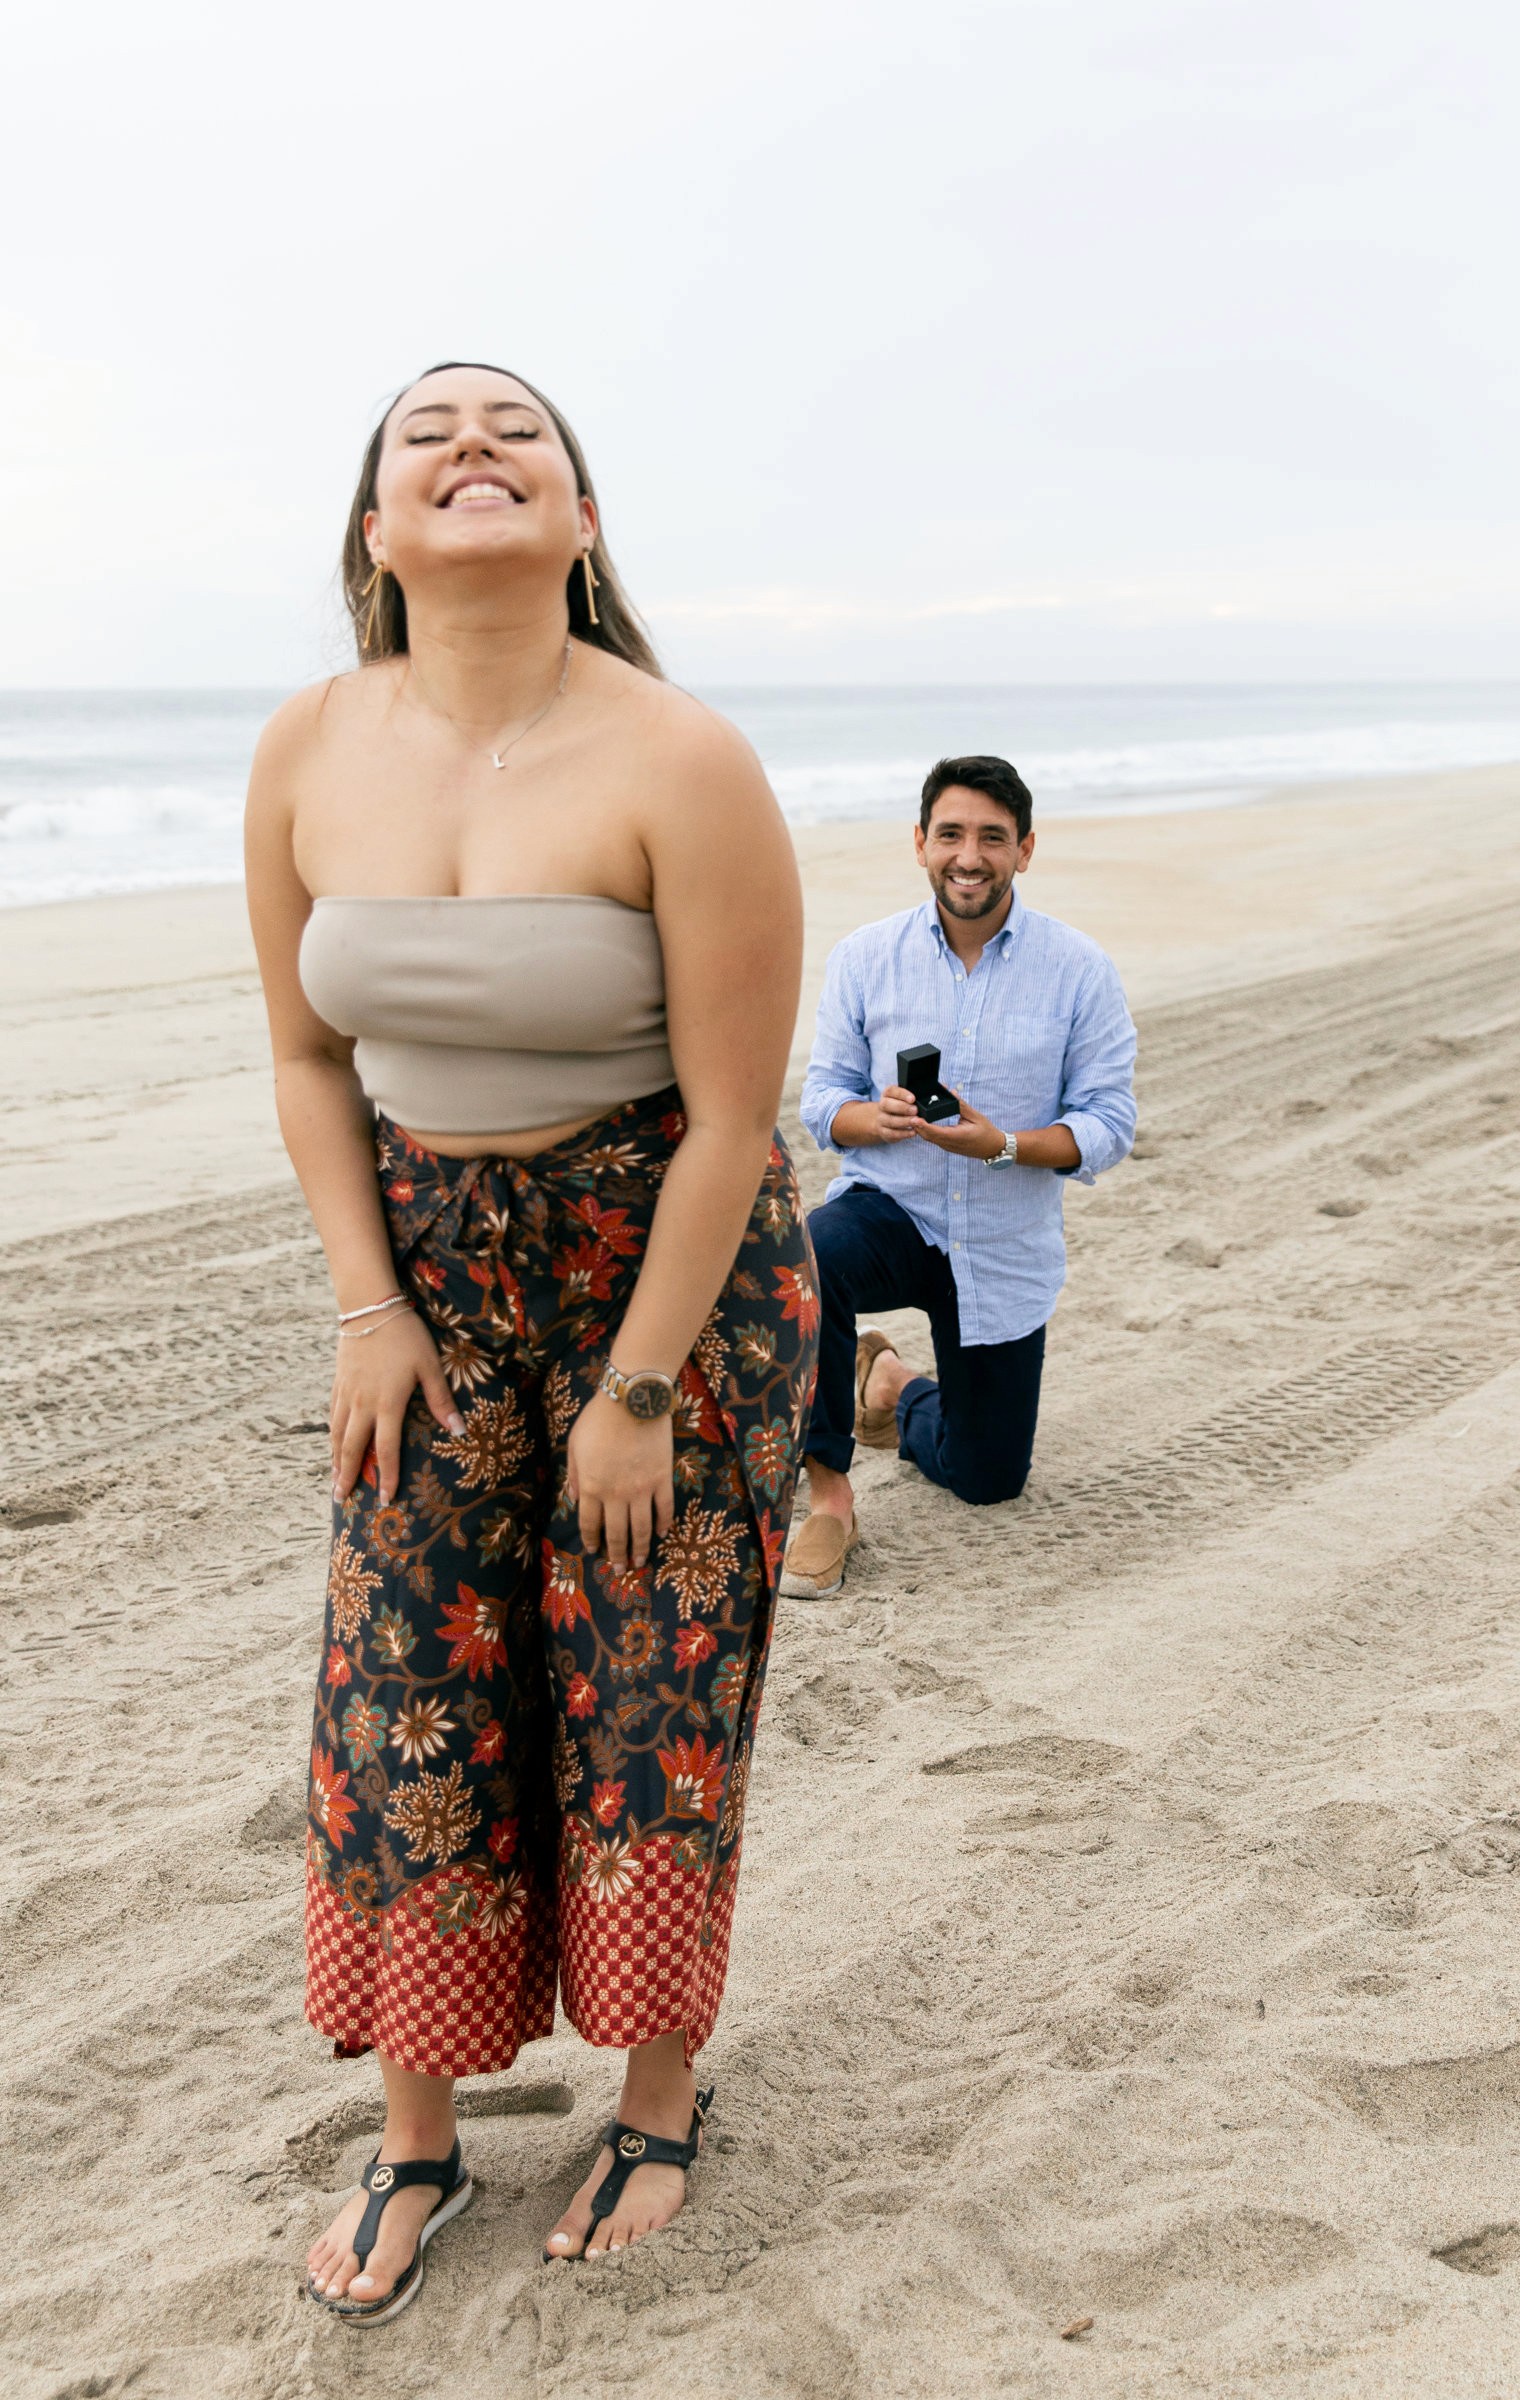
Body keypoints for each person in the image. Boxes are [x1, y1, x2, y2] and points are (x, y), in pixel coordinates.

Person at [244, 361, 817, 2320]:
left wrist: (645, 1391)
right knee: (401, 1691)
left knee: (643, 1680)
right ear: (378, 531)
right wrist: (364, 1305)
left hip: (665, 1259)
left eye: (519, 432)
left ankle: (653, 2107)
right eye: (429, 432)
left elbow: (736, 1116)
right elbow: (306, 1056)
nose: (472, 443)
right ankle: (420, 2147)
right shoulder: (308, 744)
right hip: (423, 1278)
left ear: (577, 524)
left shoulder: (682, 756)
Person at [782, 755, 1135, 1597]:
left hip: (1003, 1244)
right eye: (950, 834)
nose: (968, 856)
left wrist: (1003, 1144)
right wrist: (874, 1119)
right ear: (919, 843)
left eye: (991, 837)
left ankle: (893, 1382)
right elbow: (820, 1097)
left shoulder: (1079, 968)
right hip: (892, 1213)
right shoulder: (866, 957)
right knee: (809, 1257)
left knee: (987, 1479)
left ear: (1025, 849)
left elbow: (1109, 1124)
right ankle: (829, 1497)